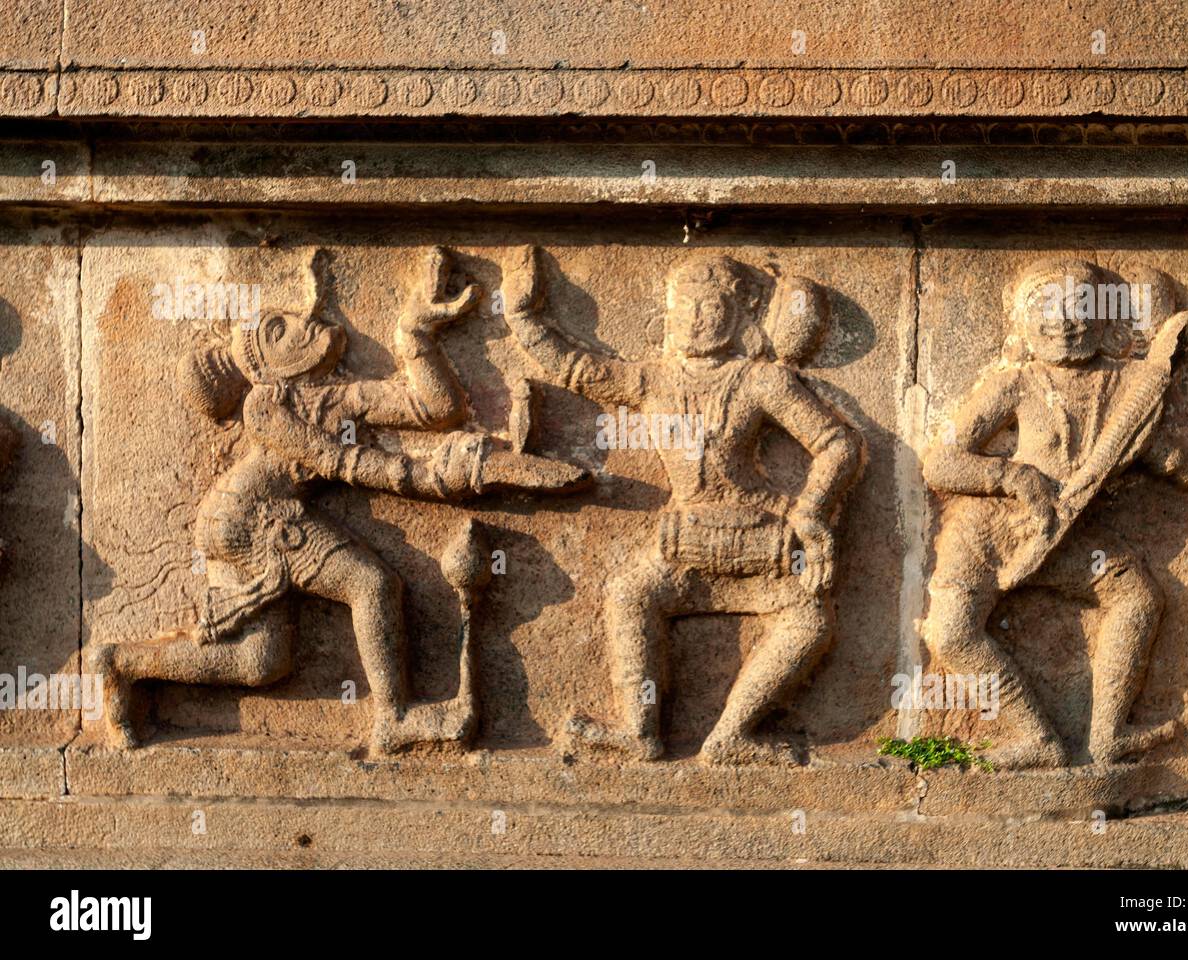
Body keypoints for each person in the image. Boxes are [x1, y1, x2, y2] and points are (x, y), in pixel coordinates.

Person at [90, 247, 588, 755]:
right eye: (277, 331)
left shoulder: (335, 396)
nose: (302, 324)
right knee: (371, 585)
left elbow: (436, 409)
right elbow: (337, 462)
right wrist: (429, 476)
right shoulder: (266, 405)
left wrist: (414, 337)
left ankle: (123, 663)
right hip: (249, 519)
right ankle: (392, 718)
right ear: (265, 369)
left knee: (262, 664)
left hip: (247, 521)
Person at [502, 246, 863, 763]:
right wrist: (521, 316)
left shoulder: (760, 379)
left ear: (740, 317)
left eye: (711, 307)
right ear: (669, 314)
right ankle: (640, 729)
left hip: (758, 532)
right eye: (686, 307)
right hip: (685, 537)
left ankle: (731, 735)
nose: (696, 320)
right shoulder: (653, 380)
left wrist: (810, 510)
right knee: (630, 596)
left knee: (810, 621)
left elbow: (837, 444)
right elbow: (575, 367)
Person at [922, 257, 1188, 768]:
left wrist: (1168, 459)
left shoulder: (1124, 385)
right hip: (990, 529)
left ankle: (1107, 735)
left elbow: (1178, 461)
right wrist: (1009, 476)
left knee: (1137, 596)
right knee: (950, 632)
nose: (1065, 320)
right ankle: (1036, 736)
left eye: (1080, 306)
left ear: (1102, 320)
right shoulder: (1019, 383)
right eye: (1048, 307)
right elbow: (942, 461)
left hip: (1068, 530)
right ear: (1026, 321)